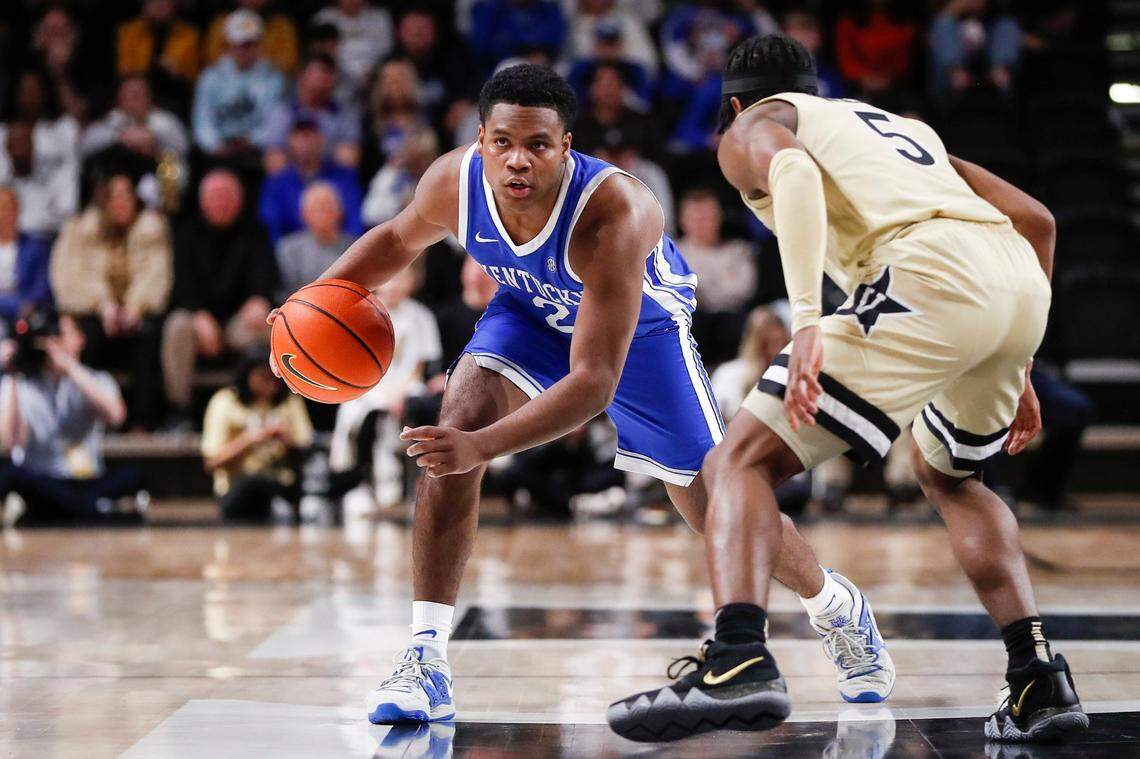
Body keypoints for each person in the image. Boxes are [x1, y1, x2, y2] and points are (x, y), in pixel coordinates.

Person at [267, 63, 884, 726]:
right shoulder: (453, 181)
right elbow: (392, 240)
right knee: (461, 409)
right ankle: (425, 655)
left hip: (638, 330)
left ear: (567, 147)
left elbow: (594, 382)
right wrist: (305, 308)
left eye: (537, 144)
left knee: (713, 505)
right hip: (529, 308)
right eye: (502, 142)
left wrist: (480, 447)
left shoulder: (616, 212)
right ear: (481, 141)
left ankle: (833, 605)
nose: (518, 160)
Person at [610, 35, 1087, 745]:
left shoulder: (749, 128)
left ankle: (738, 653)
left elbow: (795, 175)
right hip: (1014, 283)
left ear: (737, 104)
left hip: (926, 274)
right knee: (949, 474)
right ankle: (1037, 676)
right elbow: (1038, 221)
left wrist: (806, 321)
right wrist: (1017, 364)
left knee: (736, 461)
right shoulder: (898, 131)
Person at [49, 173, 170, 430]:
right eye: (113, 196)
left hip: (137, 313)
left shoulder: (152, 229)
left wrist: (135, 308)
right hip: (94, 312)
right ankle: (87, 418)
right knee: (83, 335)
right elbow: (69, 281)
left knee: (150, 333)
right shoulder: (81, 231)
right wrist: (104, 306)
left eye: (126, 194)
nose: (121, 202)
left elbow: (157, 277)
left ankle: (144, 423)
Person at [0, 311, 143, 527]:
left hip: (85, 481)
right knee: (12, 475)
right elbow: (8, 442)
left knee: (135, 475)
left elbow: (116, 416)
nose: (52, 343)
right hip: (43, 482)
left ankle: (73, 509)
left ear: (80, 340)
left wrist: (68, 367)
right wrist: (12, 373)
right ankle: (95, 510)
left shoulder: (95, 379)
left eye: (60, 335)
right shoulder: (20, 385)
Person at [163, 170, 278, 429]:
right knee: (176, 325)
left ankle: (261, 404)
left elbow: (265, 279)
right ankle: (179, 410)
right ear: (203, 201)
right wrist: (198, 314)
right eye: (214, 196)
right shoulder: (186, 233)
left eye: (226, 196)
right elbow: (181, 285)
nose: (220, 202)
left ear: (238, 200)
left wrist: (258, 300)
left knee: (269, 324)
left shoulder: (255, 232)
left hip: (238, 324)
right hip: (199, 322)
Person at [328, 265, 441, 509]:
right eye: (392, 277)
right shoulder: (361, 313)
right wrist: (379, 391)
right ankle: (358, 480)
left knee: (411, 410)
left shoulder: (421, 316)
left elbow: (419, 367)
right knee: (355, 413)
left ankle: (406, 482)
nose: (396, 284)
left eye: (403, 278)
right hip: (367, 386)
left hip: (407, 387)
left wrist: (399, 394)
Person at [201, 349, 312, 522]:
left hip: (280, 481)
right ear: (246, 375)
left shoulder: (289, 400)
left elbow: (305, 445)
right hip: (236, 485)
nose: (271, 384)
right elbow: (211, 462)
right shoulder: (225, 402)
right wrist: (247, 440)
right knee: (254, 484)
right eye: (263, 377)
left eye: (275, 378)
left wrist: (286, 440)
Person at [677, 186, 757, 366]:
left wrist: (702, 288)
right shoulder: (673, 254)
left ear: (718, 218)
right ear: (683, 220)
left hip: (733, 323)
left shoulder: (738, 251)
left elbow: (743, 290)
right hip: (694, 325)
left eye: (707, 217)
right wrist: (720, 283)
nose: (701, 224)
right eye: (695, 218)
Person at [192, 10, 286, 160]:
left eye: (251, 44)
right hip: (217, 151)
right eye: (241, 45)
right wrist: (215, 145)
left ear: (260, 45)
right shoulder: (211, 77)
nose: (246, 50)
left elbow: (273, 122)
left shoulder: (273, 78)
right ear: (229, 45)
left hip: (256, 152)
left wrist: (252, 140)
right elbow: (202, 120)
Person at [0, 71, 80, 239]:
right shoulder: (3, 179)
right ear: (6, 148)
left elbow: (67, 210)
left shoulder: (51, 178)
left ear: (34, 147)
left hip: (47, 239)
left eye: (25, 144)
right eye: (14, 145)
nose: (19, 150)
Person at [258, 119, 363, 243]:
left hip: (340, 249)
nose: (306, 143)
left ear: (321, 139)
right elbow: (271, 225)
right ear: (290, 141)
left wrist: (349, 248)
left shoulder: (345, 176)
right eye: (300, 137)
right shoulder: (276, 182)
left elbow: (355, 221)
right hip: (293, 254)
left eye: (310, 136)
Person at [263, 53, 361, 173]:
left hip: (332, 183)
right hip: (291, 183)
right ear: (302, 77)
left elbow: (348, 161)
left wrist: (316, 154)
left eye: (329, 74)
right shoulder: (282, 114)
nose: (324, 80)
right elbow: (274, 163)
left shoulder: (344, 115)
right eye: (320, 73)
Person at [116, 0, 201, 113]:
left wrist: (176, 72)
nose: (159, 6)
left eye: (164, 2)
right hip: (137, 91)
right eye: (153, 2)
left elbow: (194, 78)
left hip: (173, 95)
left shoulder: (189, 34)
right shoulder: (128, 31)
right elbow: (125, 70)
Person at [275, 182, 354, 301]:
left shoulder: (354, 247)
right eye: (316, 208)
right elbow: (284, 293)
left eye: (328, 206)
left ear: (340, 211)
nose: (323, 213)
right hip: (300, 311)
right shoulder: (288, 249)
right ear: (303, 214)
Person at [313, 0, 395, 100]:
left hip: (374, 84)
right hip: (336, 84)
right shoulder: (323, 19)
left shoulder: (380, 19)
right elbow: (319, 58)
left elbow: (386, 55)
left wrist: (373, 74)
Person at [203, 0, 300, 76]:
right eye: (240, 45)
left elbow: (287, 65)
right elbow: (211, 59)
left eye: (249, 45)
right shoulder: (222, 22)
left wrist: (259, 61)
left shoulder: (281, 26)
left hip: (265, 77)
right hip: (226, 79)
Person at [0, 186, 52, 325]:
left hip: (24, 308)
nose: (2, 214)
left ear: (17, 209)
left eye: (6, 207)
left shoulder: (34, 246)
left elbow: (42, 284)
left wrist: (30, 304)